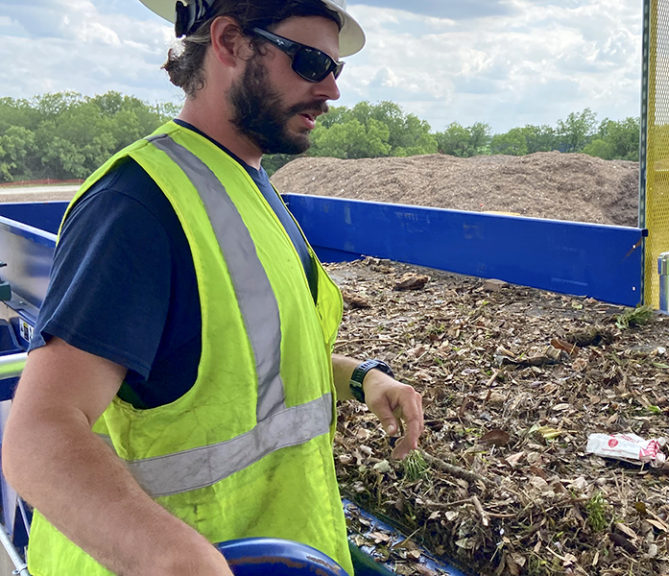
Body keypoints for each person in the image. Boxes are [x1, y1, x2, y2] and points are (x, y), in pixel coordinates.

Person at [0, 1, 424, 575]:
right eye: (310, 61)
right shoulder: (137, 207)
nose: (331, 89)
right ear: (229, 42)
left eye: (336, 68)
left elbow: (249, 361)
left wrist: (361, 378)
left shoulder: (247, 181)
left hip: (280, 551)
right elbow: (39, 437)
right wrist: (173, 558)